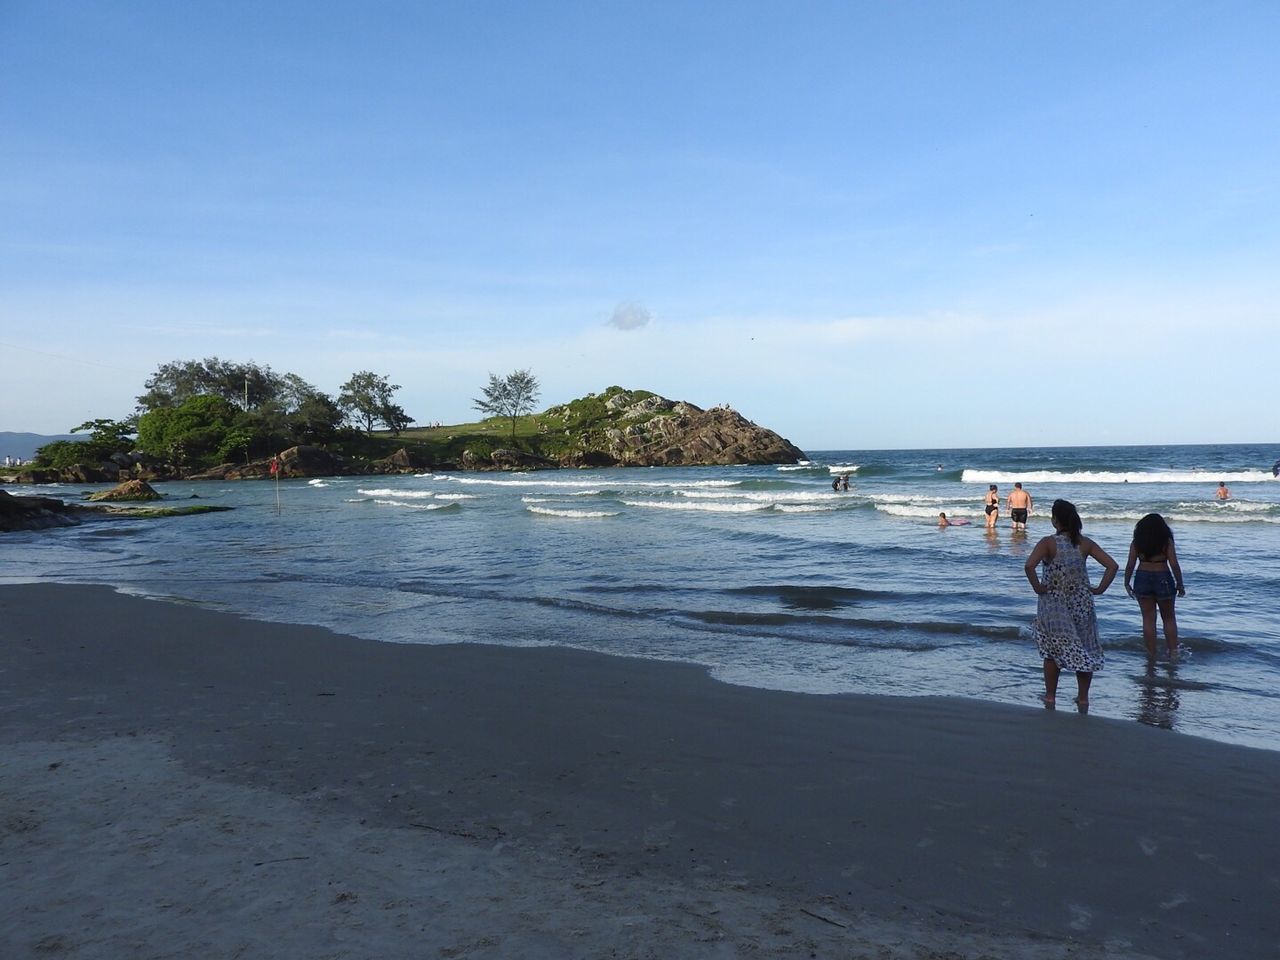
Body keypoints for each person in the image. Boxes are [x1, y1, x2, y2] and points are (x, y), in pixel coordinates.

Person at [1024, 499, 1118, 708]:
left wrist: (1038, 587)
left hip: (1054, 605)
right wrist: (1100, 588)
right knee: (1084, 648)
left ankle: (1050, 696)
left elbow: (1029, 565)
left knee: (1052, 650)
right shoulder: (1085, 543)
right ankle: (1083, 697)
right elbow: (1112, 565)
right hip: (1081, 603)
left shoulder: (1048, 542)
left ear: (1055, 520)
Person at [1124, 513, 1185, 661]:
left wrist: (1126, 582)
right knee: (1169, 618)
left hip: (1142, 577)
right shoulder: (1167, 542)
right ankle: (1173, 653)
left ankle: (1151, 654)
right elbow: (1174, 564)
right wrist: (1180, 583)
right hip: (1162, 575)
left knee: (1148, 619)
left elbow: (1131, 564)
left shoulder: (1137, 542)